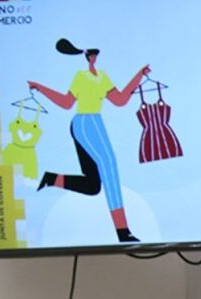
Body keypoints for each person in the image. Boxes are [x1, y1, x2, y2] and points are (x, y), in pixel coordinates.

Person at [28, 39, 150, 243]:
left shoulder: (102, 76)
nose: (94, 58)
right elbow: (67, 103)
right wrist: (40, 87)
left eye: (96, 55)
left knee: (93, 185)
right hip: (84, 123)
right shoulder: (81, 76)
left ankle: (52, 179)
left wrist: (139, 75)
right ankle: (123, 231)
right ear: (87, 57)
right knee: (109, 165)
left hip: (96, 123)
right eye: (92, 55)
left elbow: (120, 100)